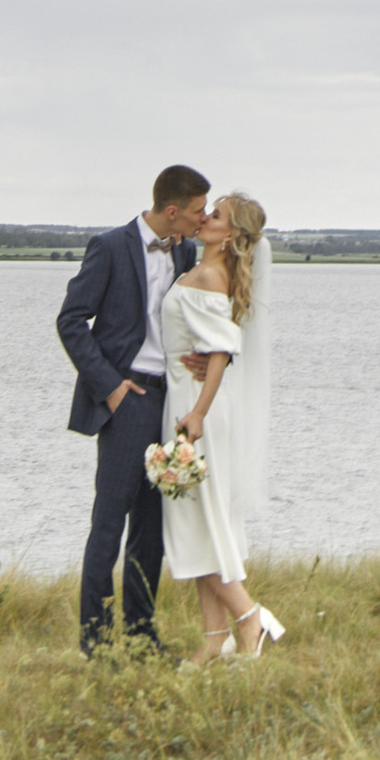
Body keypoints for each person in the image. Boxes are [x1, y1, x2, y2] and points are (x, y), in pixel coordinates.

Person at [56, 168, 207, 654]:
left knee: (152, 530)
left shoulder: (185, 250)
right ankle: (96, 643)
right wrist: (110, 388)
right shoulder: (109, 246)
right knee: (109, 523)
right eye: (197, 210)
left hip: (171, 400)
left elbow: (196, 316)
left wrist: (205, 358)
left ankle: (142, 635)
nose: (203, 219)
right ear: (172, 211)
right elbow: (71, 320)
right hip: (128, 402)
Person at [158, 188, 285, 661]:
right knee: (206, 521)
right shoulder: (203, 269)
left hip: (198, 407)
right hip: (189, 396)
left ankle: (250, 619)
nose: (206, 218)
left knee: (198, 523)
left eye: (217, 215)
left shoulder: (211, 274)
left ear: (230, 234)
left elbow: (221, 352)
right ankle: (214, 641)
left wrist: (197, 414)